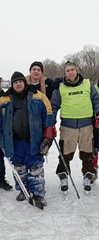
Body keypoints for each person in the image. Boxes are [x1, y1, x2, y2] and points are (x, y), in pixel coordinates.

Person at [51, 61, 99, 194]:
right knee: (65, 154)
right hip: (67, 126)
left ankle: (87, 176)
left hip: (86, 126)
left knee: (87, 154)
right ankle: (63, 176)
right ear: (65, 73)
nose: (70, 72)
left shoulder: (87, 84)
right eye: (67, 70)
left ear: (77, 71)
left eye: (72, 70)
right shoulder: (60, 87)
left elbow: (96, 100)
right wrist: (50, 121)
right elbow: (53, 105)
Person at [0, 71, 55, 205]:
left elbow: (48, 114)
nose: (18, 84)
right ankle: (23, 190)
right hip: (14, 141)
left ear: (24, 83)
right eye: (15, 82)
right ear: (12, 85)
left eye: (20, 81)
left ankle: (37, 194)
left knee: (35, 167)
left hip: (34, 140)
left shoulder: (39, 96)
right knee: (19, 167)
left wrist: (48, 131)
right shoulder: (4, 100)